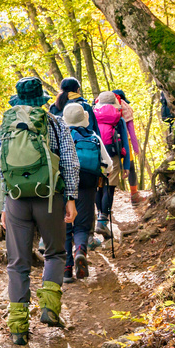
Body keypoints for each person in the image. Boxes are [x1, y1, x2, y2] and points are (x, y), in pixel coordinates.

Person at [0, 77, 78, 346]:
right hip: (49, 197)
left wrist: (1, 205)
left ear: (18, 100)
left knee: (17, 264)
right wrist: (72, 198)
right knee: (55, 252)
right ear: (41, 100)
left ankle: (18, 328)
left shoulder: (5, 128)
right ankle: (49, 309)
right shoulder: (55, 123)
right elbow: (69, 161)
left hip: (16, 200)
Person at [61, 103, 112, 283]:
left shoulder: (61, 138)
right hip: (87, 186)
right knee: (82, 226)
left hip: (63, 186)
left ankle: (66, 270)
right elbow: (108, 164)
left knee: (66, 227)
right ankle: (80, 251)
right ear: (83, 118)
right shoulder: (93, 137)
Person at [93, 91, 130, 238]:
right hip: (113, 155)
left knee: (98, 186)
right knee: (110, 187)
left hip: (96, 155)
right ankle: (103, 218)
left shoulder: (92, 116)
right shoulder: (118, 119)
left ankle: (99, 217)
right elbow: (125, 144)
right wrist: (125, 165)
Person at [112, 89, 144, 205]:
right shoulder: (126, 108)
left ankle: (106, 205)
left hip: (109, 143)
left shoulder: (104, 109)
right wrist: (136, 148)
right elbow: (131, 131)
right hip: (125, 143)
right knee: (131, 168)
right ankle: (134, 196)